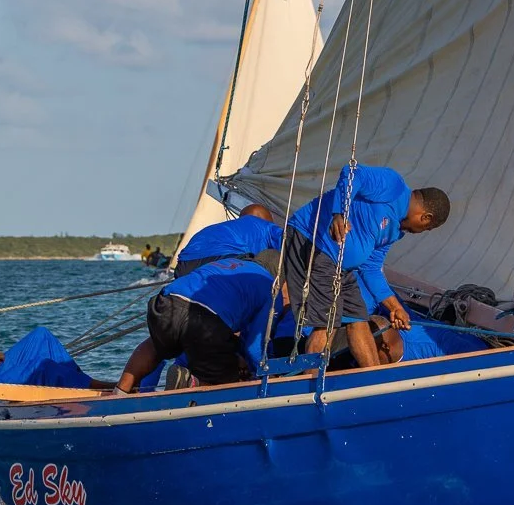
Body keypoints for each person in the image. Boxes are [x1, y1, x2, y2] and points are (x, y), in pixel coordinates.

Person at [284, 164, 450, 368]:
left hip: (341, 267)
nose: (419, 232)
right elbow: (352, 172)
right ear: (425, 218)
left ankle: (373, 376)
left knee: (358, 318)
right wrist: (339, 213)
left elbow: (371, 268)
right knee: (328, 323)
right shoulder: (394, 185)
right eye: (426, 229)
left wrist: (395, 308)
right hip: (314, 243)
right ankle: (309, 381)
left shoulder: (395, 232)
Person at [113, 250, 287, 393]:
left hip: (165, 300)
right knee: (223, 380)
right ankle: (191, 383)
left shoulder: (232, 264)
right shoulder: (270, 286)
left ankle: (120, 391)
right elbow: (254, 348)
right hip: (204, 319)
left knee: (156, 346)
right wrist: (266, 374)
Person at [174, 204, 284, 277]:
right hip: (222, 261)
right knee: (273, 263)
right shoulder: (265, 226)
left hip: (183, 266)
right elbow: (288, 243)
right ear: (266, 220)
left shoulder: (218, 228)